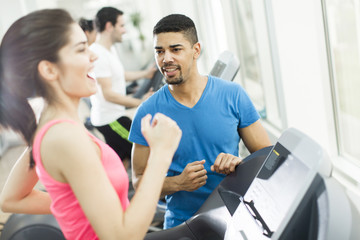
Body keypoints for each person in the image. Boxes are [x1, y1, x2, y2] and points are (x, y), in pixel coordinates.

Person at [0, 9, 182, 240]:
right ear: (49, 69)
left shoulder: (52, 129)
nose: (93, 56)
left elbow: (12, 198)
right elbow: (121, 237)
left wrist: (77, 204)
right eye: (81, 49)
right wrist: (161, 154)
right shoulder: (64, 138)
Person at [129, 14, 272, 229]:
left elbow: (267, 159)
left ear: (196, 50)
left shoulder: (233, 95)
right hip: (183, 225)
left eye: (175, 49)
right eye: (160, 51)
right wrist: (178, 183)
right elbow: (139, 182)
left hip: (235, 219)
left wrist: (238, 164)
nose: (166, 58)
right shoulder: (148, 111)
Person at [90, 7, 156, 168]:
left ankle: (115, 190)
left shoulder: (110, 49)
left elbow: (120, 74)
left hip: (114, 115)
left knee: (122, 161)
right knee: (146, 151)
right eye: (121, 25)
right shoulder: (98, 54)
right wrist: (140, 101)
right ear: (109, 26)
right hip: (110, 119)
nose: (125, 30)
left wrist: (145, 74)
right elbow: (108, 95)